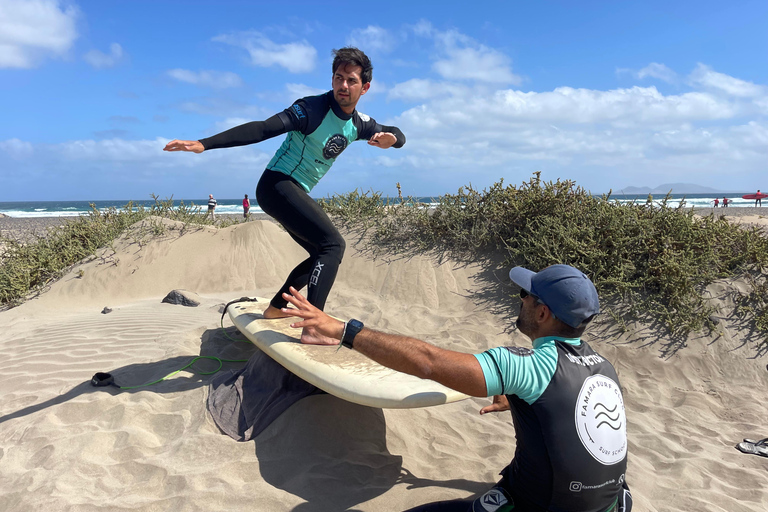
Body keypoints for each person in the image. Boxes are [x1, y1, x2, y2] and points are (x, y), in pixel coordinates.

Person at [281, 264, 632, 512]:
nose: (520, 299)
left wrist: (343, 330)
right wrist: (521, 399)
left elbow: (427, 362)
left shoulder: (528, 365)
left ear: (542, 314)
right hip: (613, 504)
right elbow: (575, 417)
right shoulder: (605, 369)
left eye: (525, 294)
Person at [163, 47, 405, 343]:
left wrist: (391, 141)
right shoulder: (312, 110)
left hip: (294, 189)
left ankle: (277, 308)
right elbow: (263, 128)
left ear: (364, 87)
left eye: (351, 80)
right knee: (333, 245)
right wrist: (204, 143)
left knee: (321, 252)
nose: (343, 86)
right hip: (277, 184)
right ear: (332, 79)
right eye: (338, 78)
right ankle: (314, 327)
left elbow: (395, 133)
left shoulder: (358, 124)